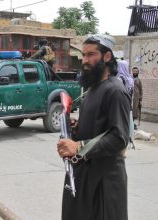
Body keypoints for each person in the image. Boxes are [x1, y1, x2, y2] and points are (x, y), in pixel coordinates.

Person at [56, 34, 130, 220]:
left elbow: (119, 137)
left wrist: (79, 147)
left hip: (104, 180)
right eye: (84, 55)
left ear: (107, 57)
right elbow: (99, 128)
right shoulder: (92, 88)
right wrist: (76, 128)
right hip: (85, 173)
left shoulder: (115, 90)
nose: (85, 60)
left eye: (91, 55)